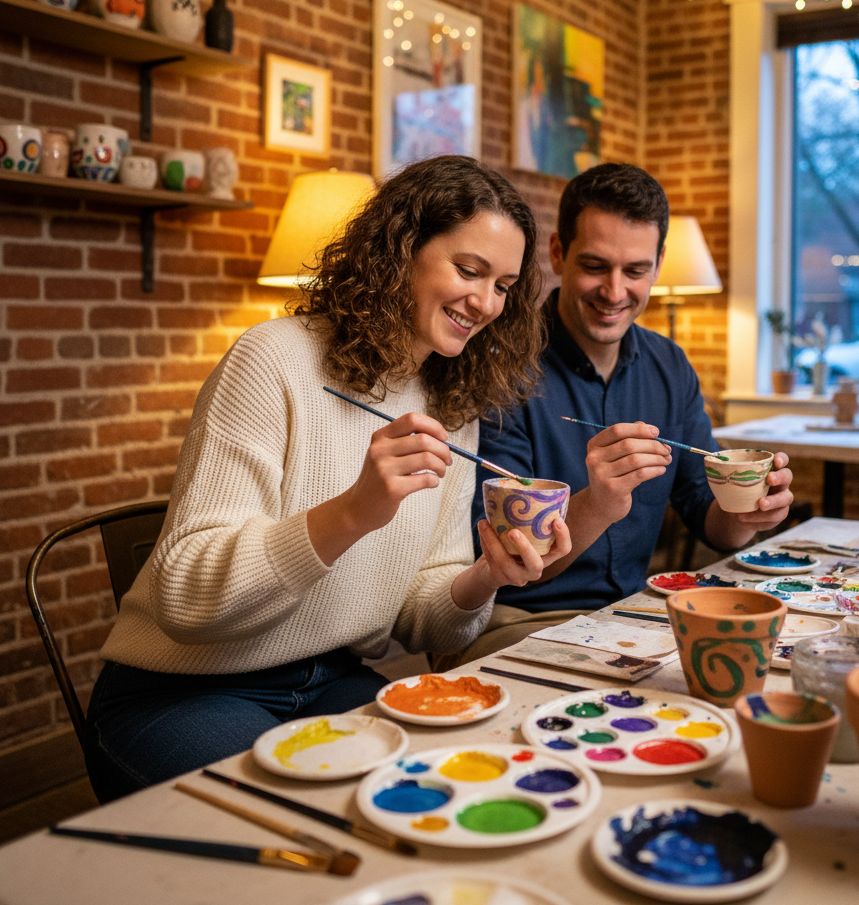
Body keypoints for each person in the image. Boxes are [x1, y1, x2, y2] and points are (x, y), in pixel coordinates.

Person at [83, 155, 570, 802]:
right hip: (184, 689)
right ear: (401, 251)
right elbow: (185, 598)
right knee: (320, 819)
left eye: (504, 285)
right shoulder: (274, 359)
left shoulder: (450, 403)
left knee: (453, 787)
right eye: (469, 269)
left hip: (333, 679)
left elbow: (425, 624)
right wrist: (354, 512)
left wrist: (489, 575)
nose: (485, 303)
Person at [453, 162, 793, 662]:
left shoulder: (669, 365)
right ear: (557, 254)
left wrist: (749, 510)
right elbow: (509, 559)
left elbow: (708, 518)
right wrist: (598, 503)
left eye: (635, 271)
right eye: (595, 266)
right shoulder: (500, 363)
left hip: (634, 612)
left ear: (657, 265)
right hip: (515, 620)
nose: (614, 292)